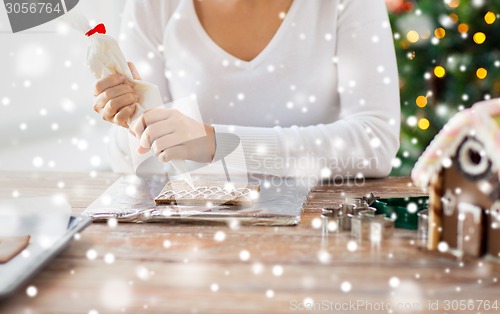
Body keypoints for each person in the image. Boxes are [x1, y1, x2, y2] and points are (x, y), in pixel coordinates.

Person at [92, 0, 400, 179]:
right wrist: (133, 125)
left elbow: (376, 143)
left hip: (322, 227)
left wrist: (218, 145)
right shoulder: (153, 5)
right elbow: (137, 164)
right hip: (197, 237)